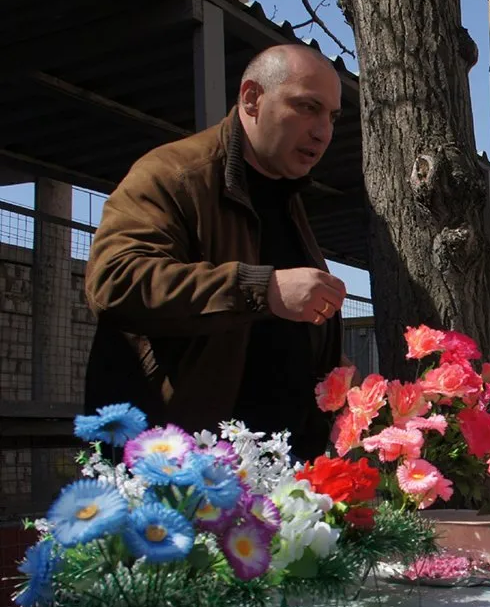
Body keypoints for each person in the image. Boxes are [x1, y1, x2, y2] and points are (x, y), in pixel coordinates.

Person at [84, 44, 348, 459]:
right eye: (307, 107)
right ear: (251, 99)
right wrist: (262, 288)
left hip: (279, 476)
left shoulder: (288, 198)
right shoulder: (175, 175)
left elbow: (279, 336)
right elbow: (115, 282)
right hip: (181, 471)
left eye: (331, 116)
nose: (323, 131)